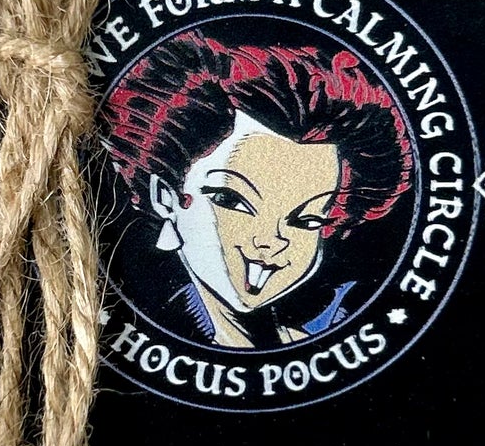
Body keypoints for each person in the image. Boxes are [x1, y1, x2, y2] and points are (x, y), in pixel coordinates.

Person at [103, 31, 413, 348]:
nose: (271, 240)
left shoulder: (338, 331)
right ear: (165, 198)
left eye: (307, 221)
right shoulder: (139, 329)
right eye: (232, 200)